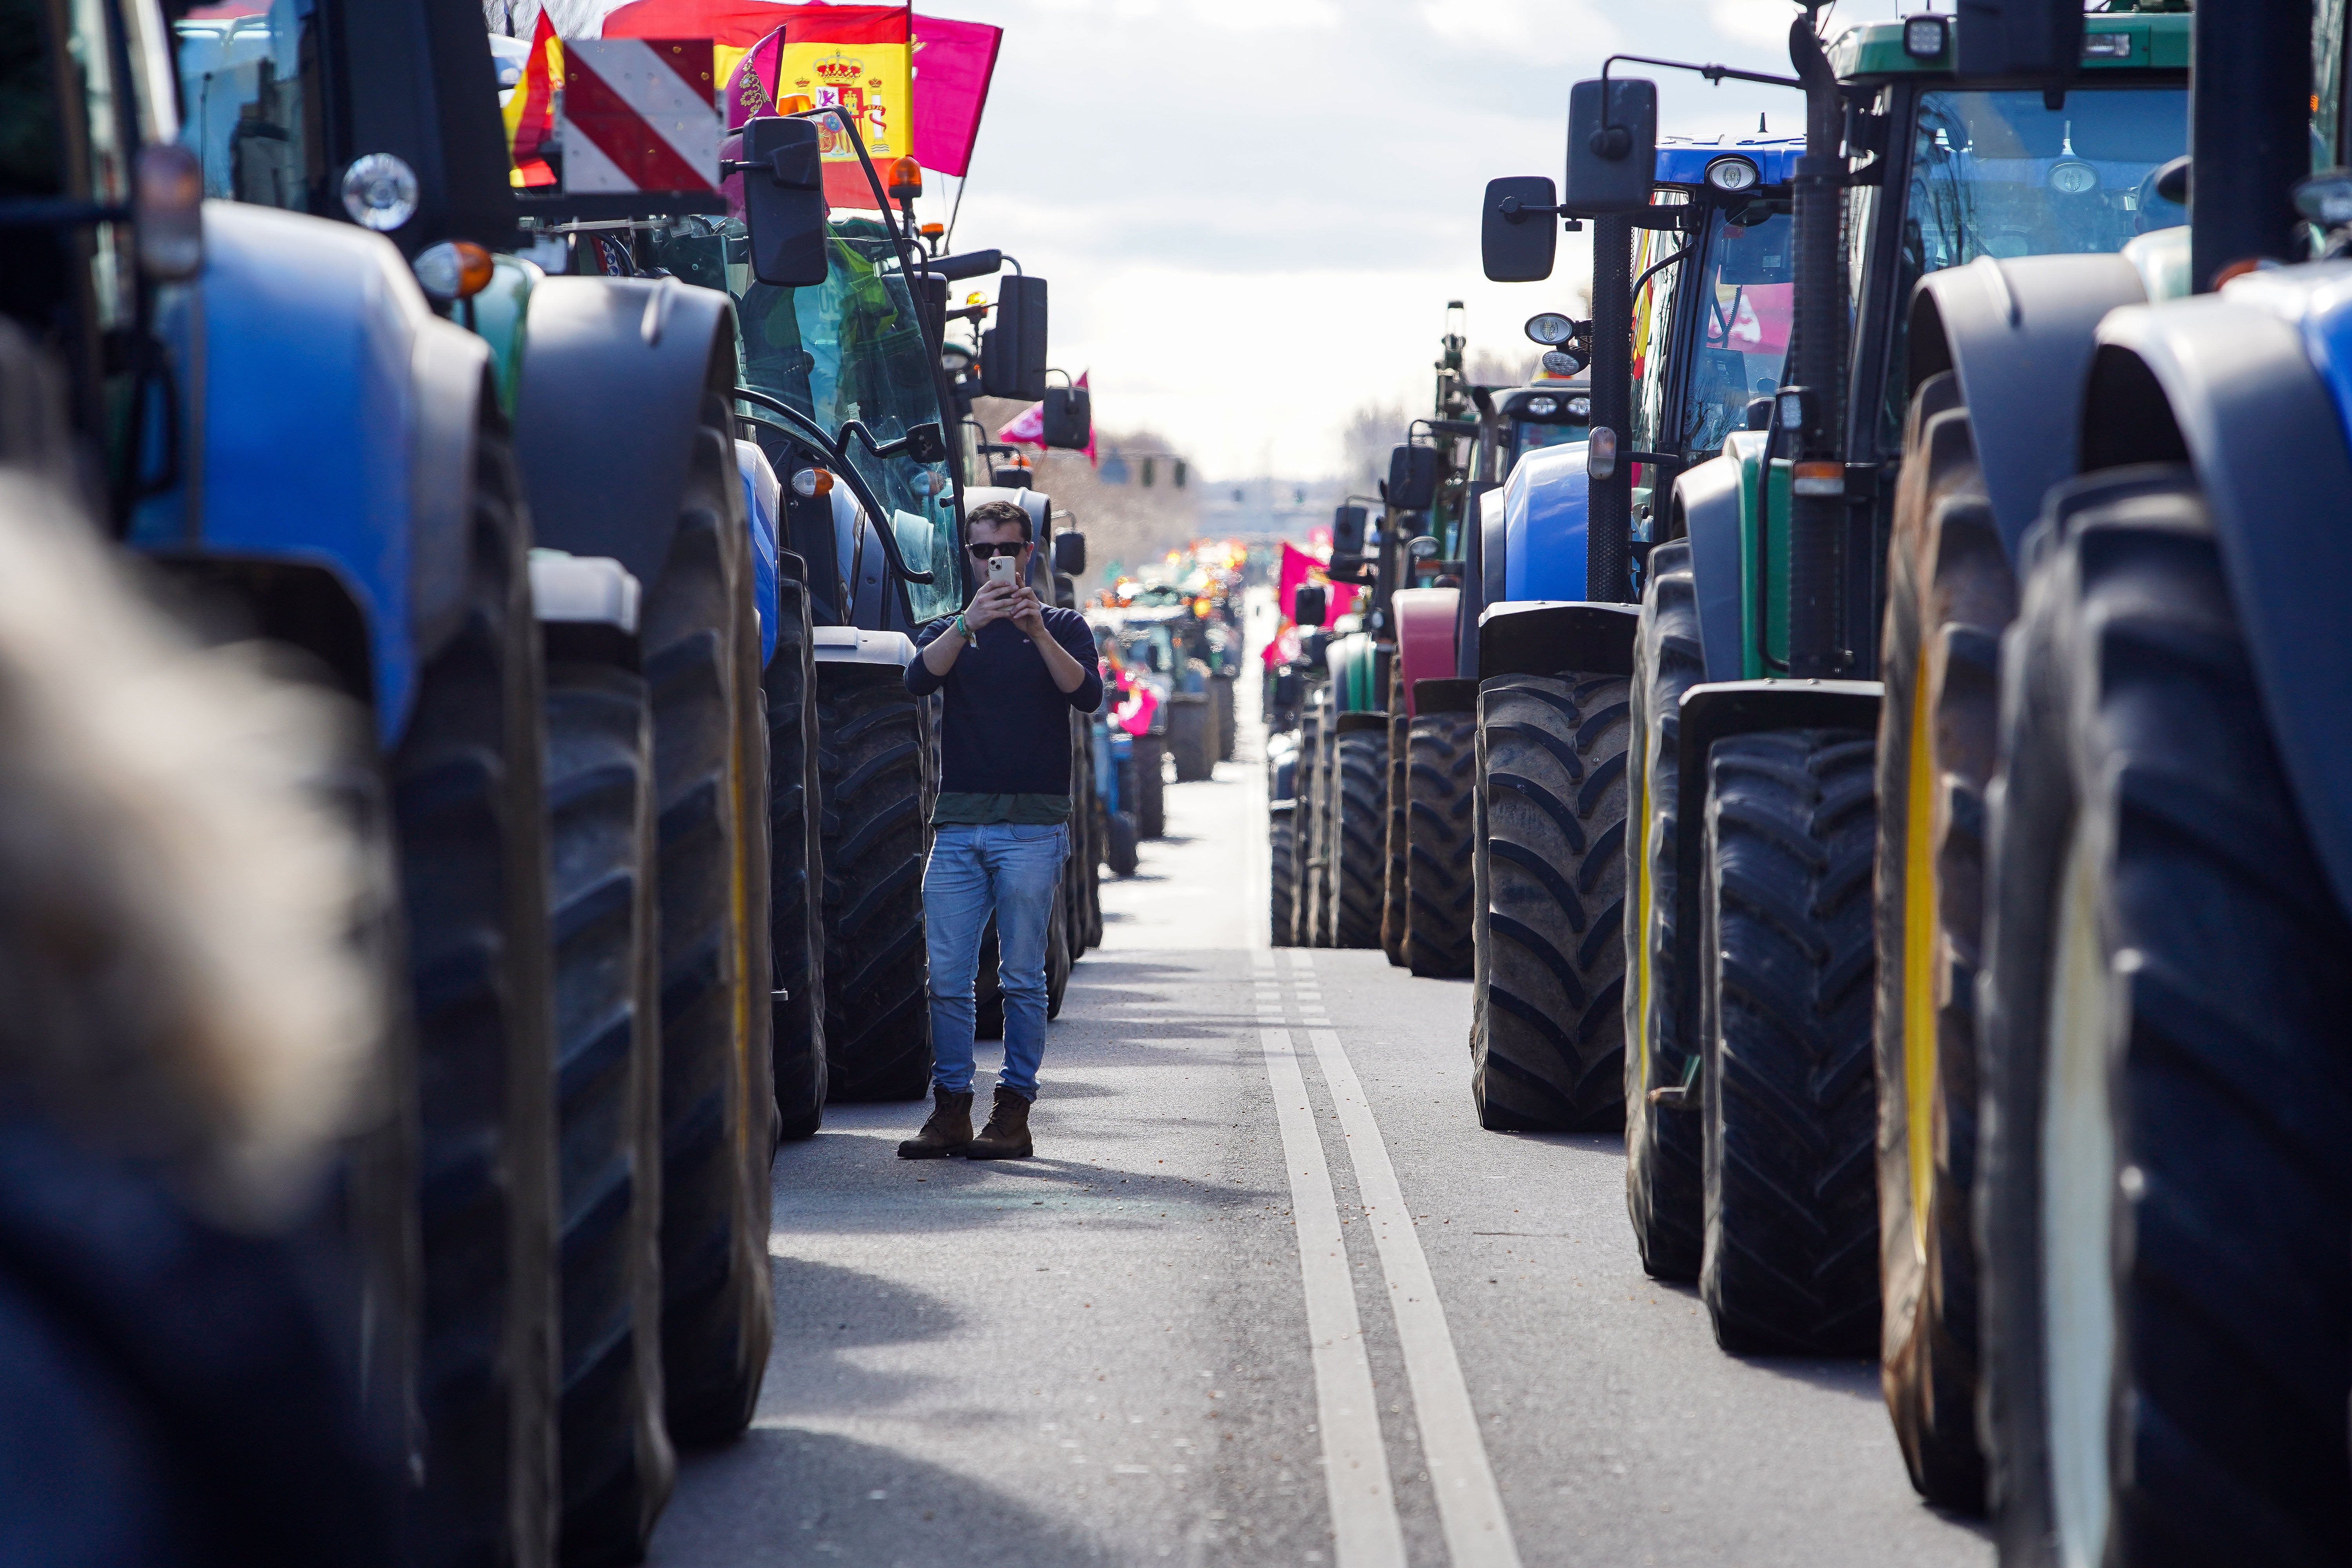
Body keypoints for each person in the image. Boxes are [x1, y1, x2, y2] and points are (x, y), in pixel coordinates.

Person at [898, 500, 1103, 1161]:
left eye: (1008, 550)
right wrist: (969, 621)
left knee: (1021, 978)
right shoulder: (952, 628)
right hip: (958, 830)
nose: (996, 561)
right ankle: (951, 1109)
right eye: (984, 550)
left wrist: (1036, 630)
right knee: (948, 978)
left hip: (1032, 830)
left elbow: (1087, 695)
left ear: (1030, 554)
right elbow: (916, 678)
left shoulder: (1065, 625)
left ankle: (1012, 1115)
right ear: (969, 556)